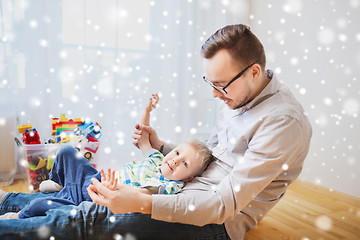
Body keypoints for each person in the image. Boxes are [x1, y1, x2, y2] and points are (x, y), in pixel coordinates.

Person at [0, 24, 312, 240]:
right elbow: (211, 156)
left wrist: (142, 202)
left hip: (213, 223)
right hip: (174, 188)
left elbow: (222, 205)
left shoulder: (283, 123)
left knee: (90, 217)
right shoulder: (235, 96)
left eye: (220, 85)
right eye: (210, 84)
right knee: (86, 179)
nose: (215, 95)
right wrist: (162, 146)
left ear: (254, 72)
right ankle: (9, 202)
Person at [0, 94, 213, 220]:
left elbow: (144, 195)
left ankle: (16, 218)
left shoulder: (168, 187)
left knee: (40, 206)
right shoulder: (157, 158)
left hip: (95, 198)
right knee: (66, 151)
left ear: (188, 178)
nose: (175, 159)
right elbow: (144, 136)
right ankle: (59, 183)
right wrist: (147, 109)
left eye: (184, 163)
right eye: (177, 152)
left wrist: (115, 189)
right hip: (94, 178)